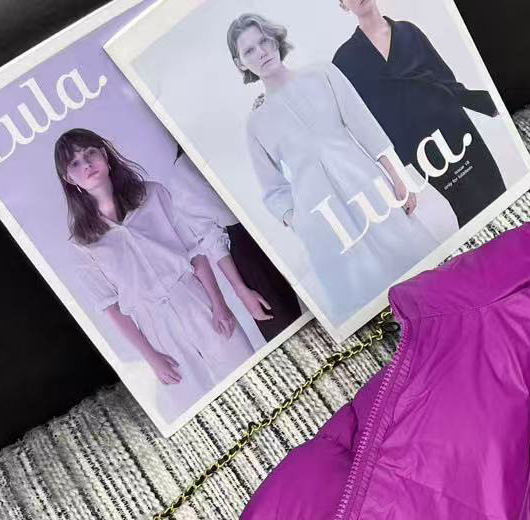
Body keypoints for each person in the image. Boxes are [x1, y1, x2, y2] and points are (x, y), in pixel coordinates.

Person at [227, 12, 432, 318]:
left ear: (275, 39)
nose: (261, 52)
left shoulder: (322, 73)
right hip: (323, 221)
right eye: (249, 51)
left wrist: (397, 177)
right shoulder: (256, 122)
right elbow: (273, 190)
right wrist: (300, 223)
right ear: (241, 63)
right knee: (368, 302)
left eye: (264, 41)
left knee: (417, 268)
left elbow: (365, 126)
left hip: (368, 188)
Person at [54, 127, 254, 418]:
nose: (86, 164)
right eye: (74, 163)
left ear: (105, 156)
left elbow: (195, 252)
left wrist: (219, 304)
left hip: (196, 301)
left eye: (90, 153)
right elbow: (111, 308)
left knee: (248, 373)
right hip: (157, 329)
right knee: (201, 410)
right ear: (68, 178)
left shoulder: (153, 194)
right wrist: (151, 357)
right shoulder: (83, 244)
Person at [332, 0, 507, 227]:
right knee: (467, 206)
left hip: (454, 123)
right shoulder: (344, 60)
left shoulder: (408, 31)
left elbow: (446, 80)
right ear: (343, 5)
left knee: (495, 188)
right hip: (420, 146)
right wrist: (394, 174)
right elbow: (364, 125)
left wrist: (489, 103)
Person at [169, 147, 303, 342]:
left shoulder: (236, 140)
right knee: (290, 333)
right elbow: (211, 238)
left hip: (285, 222)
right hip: (249, 252)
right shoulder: (182, 175)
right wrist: (241, 290)